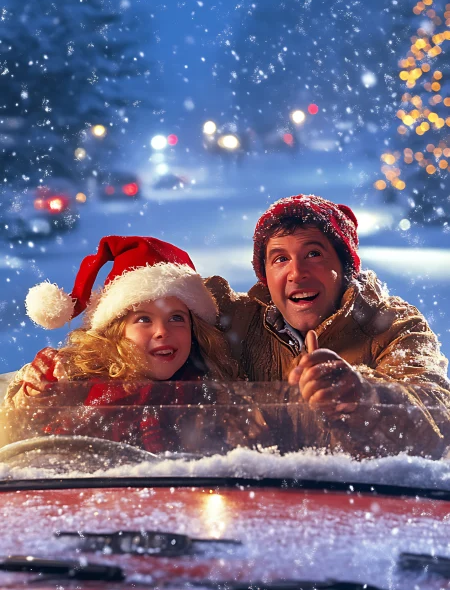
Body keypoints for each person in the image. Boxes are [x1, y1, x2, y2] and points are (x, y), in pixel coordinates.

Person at [7, 195, 450, 458]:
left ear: (344, 268)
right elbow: (143, 319)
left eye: (314, 254)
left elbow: (435, 414)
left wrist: (361, 394)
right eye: (280, 258)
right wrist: (60, 370)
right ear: (264, 273)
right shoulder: (234, 318)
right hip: (246, 503)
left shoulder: (393, 326)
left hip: (355, 500)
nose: (296, 273)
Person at [5, 235, 245, 452]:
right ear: (116, 332)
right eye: (143, 319)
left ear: (194, 331)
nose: (162, 331)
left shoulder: (206, 392)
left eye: (176, 318)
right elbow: (16, 434)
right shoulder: (67, 376)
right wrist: (54, 401)